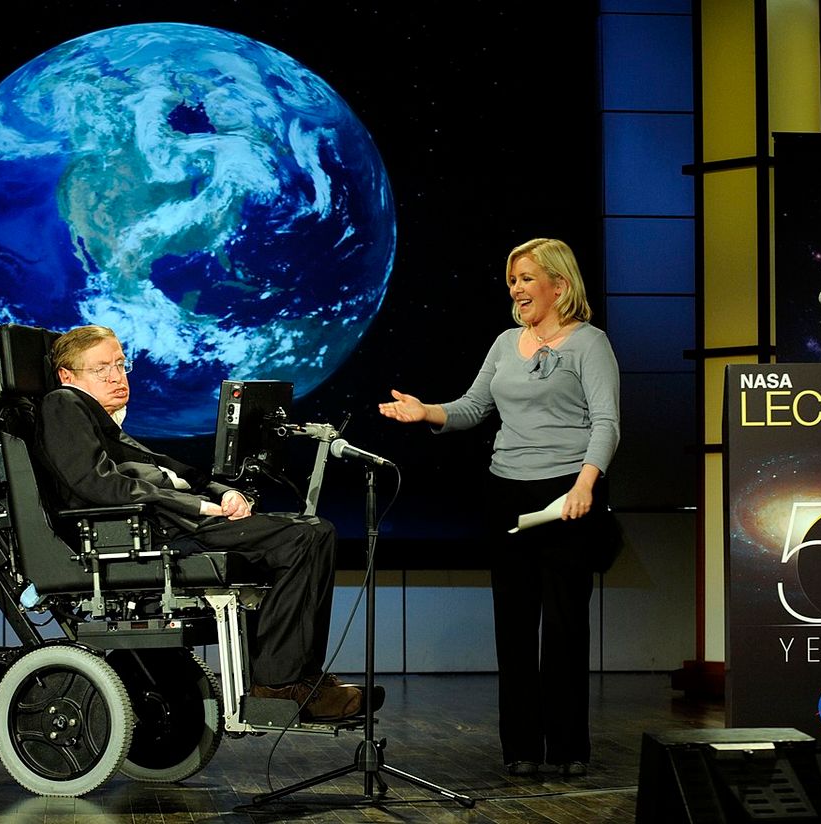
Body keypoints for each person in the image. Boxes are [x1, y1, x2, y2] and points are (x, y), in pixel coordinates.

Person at [36, 324, 365, 721]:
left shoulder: (102, 423)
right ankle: (279, 686)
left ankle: (298, 677)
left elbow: (169, 468)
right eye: (101, 369)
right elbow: (96, 484)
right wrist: (196, 506)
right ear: (67, 376)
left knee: (310, 532)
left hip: (168, 522)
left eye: (121, 365)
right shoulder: (62, 403)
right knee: (305, 537)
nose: (116, 377)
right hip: (150, 531)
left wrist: (218, 491)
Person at [379, 238, 619, 777]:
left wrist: (586, 485)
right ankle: (522, 750)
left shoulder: (589, 344)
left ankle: (568, 747)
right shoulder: (507, 341)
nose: (516, 288)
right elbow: (472, 407)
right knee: (513, 625)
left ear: (559, 284)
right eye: (512, 280)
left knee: (562, 625)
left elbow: (606, 422)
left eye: (527, 278)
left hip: (567, 494)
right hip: (506, 490)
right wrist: (427, 413)